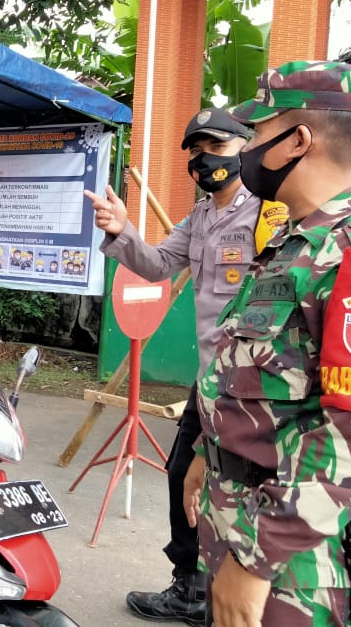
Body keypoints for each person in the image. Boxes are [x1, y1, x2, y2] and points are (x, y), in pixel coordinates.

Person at [183, 61, 351, 626]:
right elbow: (253, 378)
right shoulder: (295, 246)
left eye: (258, 132)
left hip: (294, 565)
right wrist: (207, 453)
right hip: (242, 523)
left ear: (299, 140)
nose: (246, 149)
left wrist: (255, 561)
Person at [85, 106, 270, 627]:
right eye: (195, 150)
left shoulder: (269, 213)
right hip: (210, 377)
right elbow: (157, 265)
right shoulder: (202, 216)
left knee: (240, 483)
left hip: (253, 380)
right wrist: (123, 232)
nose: (203, 158)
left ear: (244, 147)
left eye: (215, 145)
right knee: (179, 474)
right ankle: (189, 587)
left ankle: (244, 590)